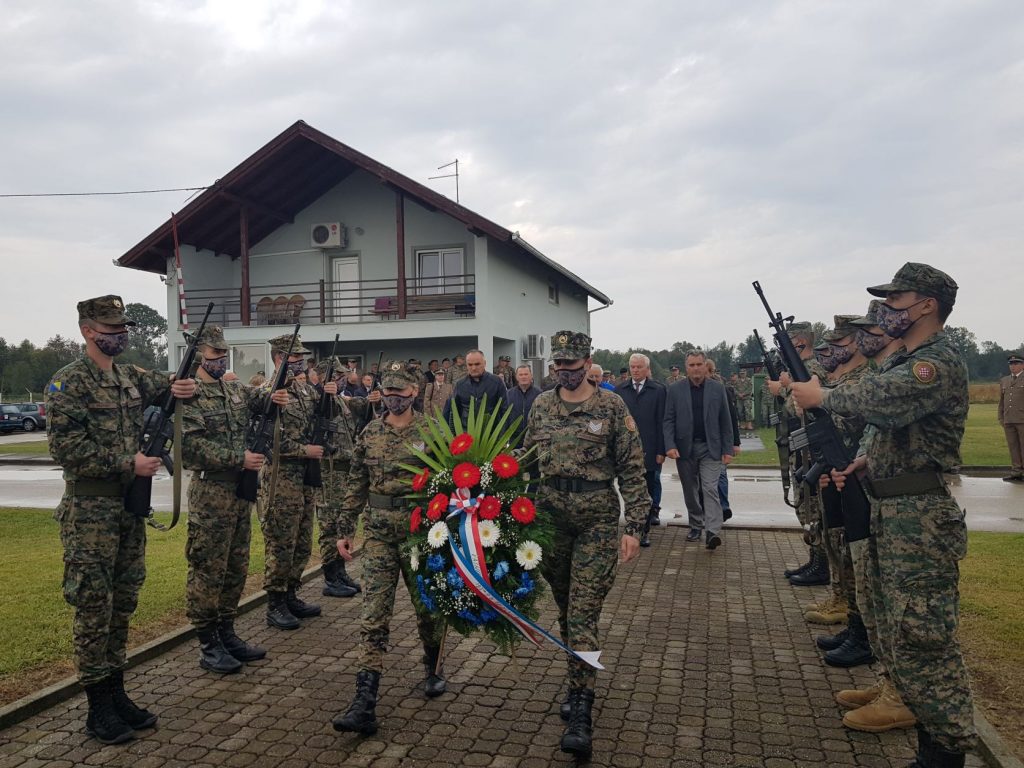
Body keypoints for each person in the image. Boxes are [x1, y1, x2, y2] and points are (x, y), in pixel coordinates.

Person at [791, 263, 977, 767]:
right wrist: (866, 460)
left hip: (919, 518)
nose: (888, 309)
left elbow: (885, 400)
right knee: (896, 631)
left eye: (898, 300)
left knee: (924, 637)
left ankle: (946, 750)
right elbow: (899, 431)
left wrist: (822, 394)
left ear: (927, 305)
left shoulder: (933, 362)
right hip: (891, 509)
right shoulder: (911, 359)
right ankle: (923, 733)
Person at [46, 295, 197, 744]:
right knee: (94, 607)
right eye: (110, 328)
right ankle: (98, 708)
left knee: (123, 602)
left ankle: (117, 692)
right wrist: (127, 463)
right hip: (91, 513)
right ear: (87, 331)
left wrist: (181, 385)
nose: (119, 335)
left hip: (129, 511)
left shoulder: (129, 376)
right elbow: (66, 449)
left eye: (122, 328)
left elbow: (168, 384)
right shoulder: (68, 383)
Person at [522, 330, 648, 759]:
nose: (564, 373)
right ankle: (577, 678)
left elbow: (633, 469)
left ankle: (581, 708)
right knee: (563, 607)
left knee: (582, 613)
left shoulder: (612, 406)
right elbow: (525, 460)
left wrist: (634, 526)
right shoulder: (541, 405)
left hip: (596, 520)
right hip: (551, 520)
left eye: (572, 367)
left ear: (588, 363)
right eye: (558, 366)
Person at [332, 361, 445, 735]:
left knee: (427, 610)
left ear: (414, 392)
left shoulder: (432, 432)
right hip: (378, 535)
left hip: (419, 537)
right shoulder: (370, 433)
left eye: (401, 392)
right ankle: (364, 701)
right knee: (373, 616)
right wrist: (345, 529)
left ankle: (433, 664)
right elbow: (355, 483)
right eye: (389, 391)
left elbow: (450, 482)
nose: (394, 398)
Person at [181, 326, 289, 674]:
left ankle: (228, 632)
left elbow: (260, 399)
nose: (220, 361)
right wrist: (237, 458)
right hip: (211, 493)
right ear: (198, 356)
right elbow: (190, 447)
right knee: (208, 569)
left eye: (223, 355)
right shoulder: (189, 395)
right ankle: (208, 642)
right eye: (214, 356)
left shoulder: (232, 389)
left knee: (236, 566)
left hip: (240, 494)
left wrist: (276, 394)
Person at [261, 333, 323, 631]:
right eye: (295, 360)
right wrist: (303, 450)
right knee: (281, 541)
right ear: (279, 359)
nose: (301, 365)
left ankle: (291, 593)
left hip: (304, 478)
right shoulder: (268, 393)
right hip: (280, 479)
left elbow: (319, 420)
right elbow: (267, 441)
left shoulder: (305, 391)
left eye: (302, 360)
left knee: (302, 539)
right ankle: (275, 602)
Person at [312, 358, 379, 599]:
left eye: (342, 377)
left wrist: (372, 399)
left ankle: (340, 572)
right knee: (329, 525)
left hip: (345, 470)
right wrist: (322, 393)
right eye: (337, 377)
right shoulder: (317, 401)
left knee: (343, 523)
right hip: (329, 471)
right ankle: (330, 576)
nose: (341, 380)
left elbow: (359, 405)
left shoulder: (342, 400)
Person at [770, 321, 830, 585]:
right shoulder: (803, 370)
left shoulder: (812, 369)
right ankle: (815, 559)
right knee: (808, 509)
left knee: (816, 511)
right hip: (803, 450)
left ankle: (822, 565)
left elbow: (798, 409)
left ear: (800, 343)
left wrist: (784, 389)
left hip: (814, 451)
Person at [663, 349, 734, 549]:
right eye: (692, 365)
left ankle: (712, 531)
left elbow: (725, 421)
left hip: (710, 447)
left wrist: (728, 448)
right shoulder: (675, 390)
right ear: (687, 368)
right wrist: (669, 445)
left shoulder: (717, 388)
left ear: (705, 366)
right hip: (685, 448)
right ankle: (695, 524)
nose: (696, 368)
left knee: (710, 488)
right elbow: (668, 420)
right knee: (690, 489)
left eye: (699, 364)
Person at [615, 353, 666, 547]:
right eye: (632, 367)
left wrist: (661, 450)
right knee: (627, 489)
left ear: (647, 369)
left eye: (639, 367)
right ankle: (631, 527)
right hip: (625, 450)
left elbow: (662, 421)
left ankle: (644, 530)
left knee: (647, 490)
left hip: (650, 448)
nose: (635, 370)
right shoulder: (620, 390)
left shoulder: (658, 390)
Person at [442, 349, 508, 426]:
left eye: (477, 364)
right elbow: (453, 411)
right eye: (470, 365)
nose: (473, 368)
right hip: (467, 434)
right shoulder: (460, 385)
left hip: (491, 434)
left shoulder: (496, 382)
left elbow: (505, 410)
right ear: (466, 365)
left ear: (484, 363)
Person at [999, 353, 1024, 482]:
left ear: (1022, 365)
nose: (1013, 366)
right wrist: (1001, 416)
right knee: (1013, 446)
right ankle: (1016, 471)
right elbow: (1002, 400)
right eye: (1011, 364)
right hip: (1009, 419)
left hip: (1022, 419)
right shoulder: (1005, 380)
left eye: (1016, 364)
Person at [506, 363, 541, 447]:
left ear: (531, 376)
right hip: (514, 439)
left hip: (534, 438)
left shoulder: (539, 394)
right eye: (521, 375)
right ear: (516, 377)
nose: (523, 377)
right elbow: (505, 416)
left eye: (526, 374)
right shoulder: (508, 394)